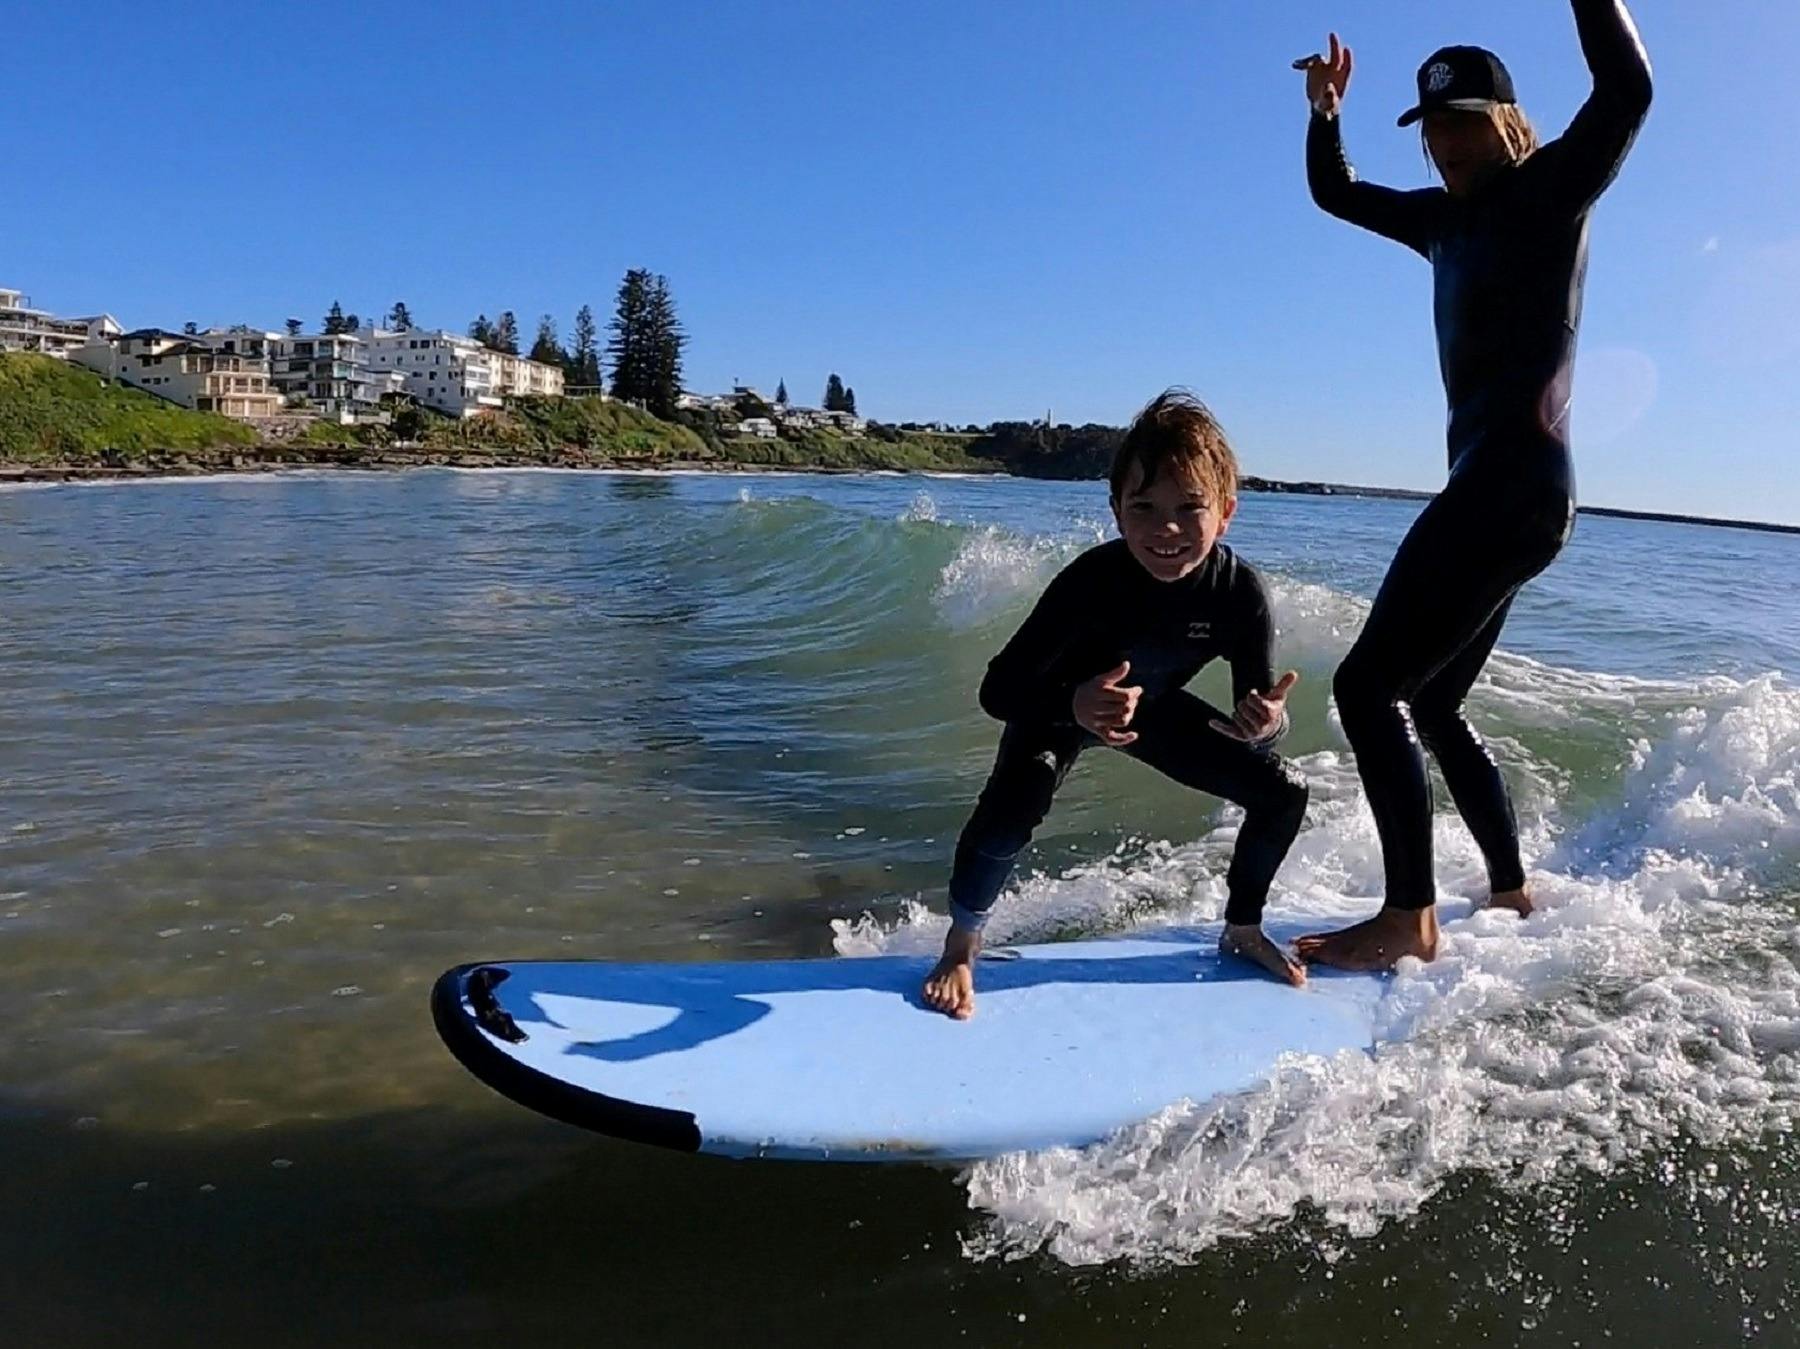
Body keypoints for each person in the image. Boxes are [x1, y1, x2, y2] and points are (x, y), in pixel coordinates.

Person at [1290, 3, 1652, 970]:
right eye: (1435, 127)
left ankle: (1408, 915)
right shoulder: (1441, 223)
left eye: (1465, 123)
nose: (1447, 143)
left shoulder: (1549, 191)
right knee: (1434, 702)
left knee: (1370, 686)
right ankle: (1510, 886)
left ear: (1509, 122)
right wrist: (1327, 112)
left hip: (1512, 485)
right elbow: (1339, 195)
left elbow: (1629, 91)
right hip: (1509, 493)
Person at [921, 391, 1309, 1018]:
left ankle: (1241, 928)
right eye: (1144, 508)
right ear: (1116, 512)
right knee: (1015, 802)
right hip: (1057, 705)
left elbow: (1257, 715)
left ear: (1227, 512)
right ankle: (962, 944)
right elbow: (998, 690)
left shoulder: (1240, 593)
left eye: (1191, 508)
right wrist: (1074, 703)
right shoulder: (1090, 581)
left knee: (1283, 791)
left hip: (1149, 709)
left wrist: (1266, 724)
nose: (1168, 529)